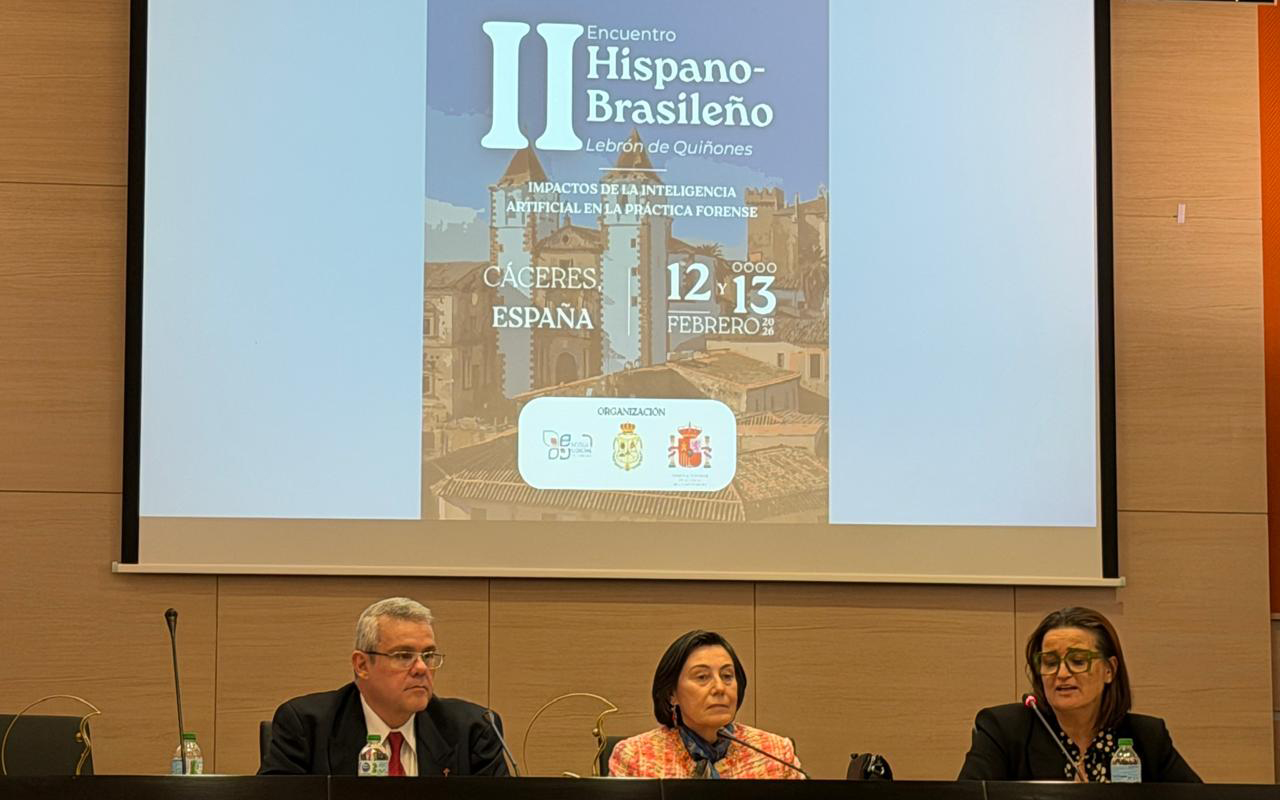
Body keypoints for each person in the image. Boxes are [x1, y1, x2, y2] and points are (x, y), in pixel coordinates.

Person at [258, 597, 510, 776]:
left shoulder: (474, 729)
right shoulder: (307, 726)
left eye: (429, 655)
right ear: (362, 665)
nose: (421, 668)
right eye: (403, 655)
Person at [958, 606, 1200, 782]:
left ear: (1109, 669)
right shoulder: (1004, 730)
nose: (1062, 673)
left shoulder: (1147, 737)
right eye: (1050, 662)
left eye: (1077, 660)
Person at [608, 630, 804, 779]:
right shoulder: (636, 757)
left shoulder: (775, 753)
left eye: (727, 676)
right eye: (702, 677)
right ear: (671, 694)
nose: (719, 688)